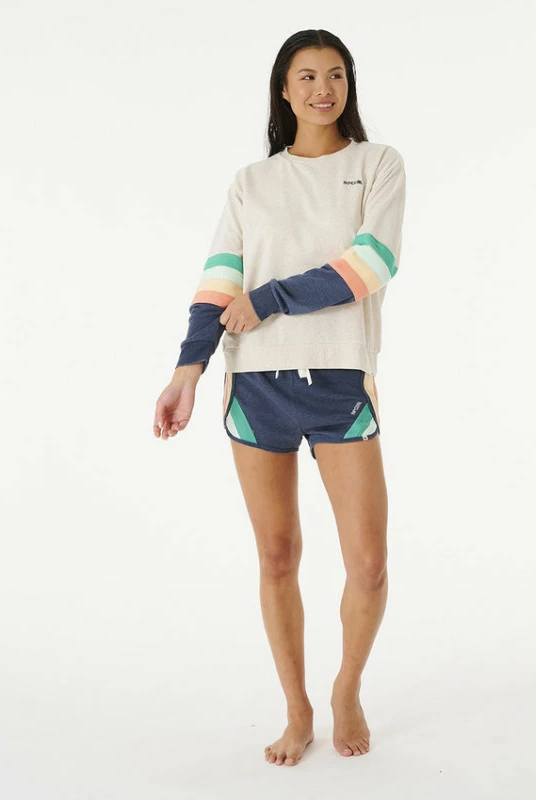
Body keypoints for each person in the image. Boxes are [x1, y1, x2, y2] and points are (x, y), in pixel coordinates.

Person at [153, 29, 406, 767]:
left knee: (368, 564)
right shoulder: (251, 182)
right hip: (256, 384)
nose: (323, 88)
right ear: (285, 89)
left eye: (336, 75)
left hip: (339, 380)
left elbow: (372, 263)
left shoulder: (377, 165)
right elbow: (218, 278)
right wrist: (187, 370)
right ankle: (297, 708)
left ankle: (346, 688)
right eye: (307, 76)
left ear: (348, 86)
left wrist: (268, 299)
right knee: (276, 556)